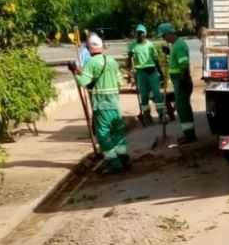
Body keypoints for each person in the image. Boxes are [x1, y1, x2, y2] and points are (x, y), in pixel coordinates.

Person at [68, 34, 130, 174]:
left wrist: (75, 73)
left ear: (89, 49)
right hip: (114, 104)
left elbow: (84, 82)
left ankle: (114, 164)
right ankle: (123, 158)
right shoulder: (112, 62)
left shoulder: (91, 62)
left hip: (101, 105)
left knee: (103, 136)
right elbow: (120, 83)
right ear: (102, 46)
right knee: (118, 132)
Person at [157, 23, 196, 144]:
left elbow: (184, 65)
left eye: (164, 36)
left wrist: (183, 79)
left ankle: (189, 135)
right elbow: (178, 60)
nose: (163, 38)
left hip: (181, 80)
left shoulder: (178, 46)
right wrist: (169, 52)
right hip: (179, 80)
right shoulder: (176, 45)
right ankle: (189, 134)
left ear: (169, 33)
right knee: (183, 107)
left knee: (182, 108)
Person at [128, 23, 164, 125]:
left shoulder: (150, 45)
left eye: (141, 33)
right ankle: (147, 115)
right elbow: (129, 61)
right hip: (141, 72)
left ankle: (161, 114)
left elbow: (156, 59)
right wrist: (129, 58)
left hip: (151, 71)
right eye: (138, 33)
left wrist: (160, 73)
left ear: (145, 34)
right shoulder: (133, 45)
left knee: (157, 95)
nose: (140, 35)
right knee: (143, 96)